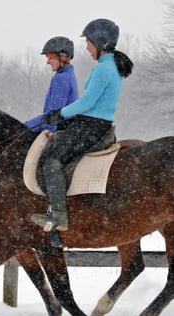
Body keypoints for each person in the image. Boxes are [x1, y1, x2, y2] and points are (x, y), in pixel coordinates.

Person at [31, 18, 133, 247]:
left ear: (99, 42)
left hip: (90, 125)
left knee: (50, 159)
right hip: (96, 123)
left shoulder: (104, 69)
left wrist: (61, 114)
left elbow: (87, 102)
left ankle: (58, 214)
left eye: (88, 42)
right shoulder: (111, 66)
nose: (86, 47)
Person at [25, 36, 78, 132]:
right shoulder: (68, 75)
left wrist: (25, 127)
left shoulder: (61, 78)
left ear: (62, 57)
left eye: (50, 57)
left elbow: (53, 116)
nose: (47, 62)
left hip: (56, 130)